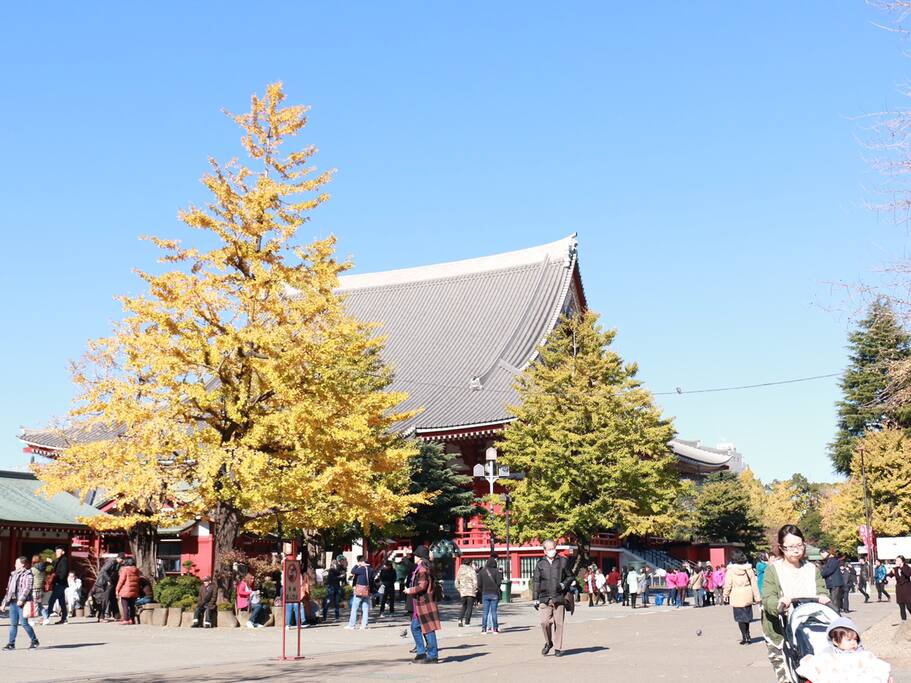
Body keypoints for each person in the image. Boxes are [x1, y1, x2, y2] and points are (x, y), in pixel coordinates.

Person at [761, 524, 831, 683]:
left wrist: (823, 597)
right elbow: (768, 598)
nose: (796, 550)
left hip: (810, 630)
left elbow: (821, 590)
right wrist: (779, 603)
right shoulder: (773, 570)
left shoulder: (812, 569)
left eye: (799, 545)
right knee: (788, 675)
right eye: (791, 546)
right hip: (781, 631)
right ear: (781, 547)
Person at [795, 616, 893, 683]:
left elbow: (874, 663)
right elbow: (818, 664)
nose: (853, 642)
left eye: (855, 639)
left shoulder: (861, 653)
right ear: (835, 642)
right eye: (849, 640)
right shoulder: (828, 654)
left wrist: (885, 674)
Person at [534, 539, 573, 657]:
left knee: (559, 623)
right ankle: (548, 642)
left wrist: (563, 584)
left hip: (558, 597)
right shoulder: (540, 563)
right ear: (545, 551)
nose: (552, 551)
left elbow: (570, 576)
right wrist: (535, 598)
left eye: (553, 548)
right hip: (544, 597)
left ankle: (558, 648)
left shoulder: (562, 561)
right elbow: (536, 581)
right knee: (544, 622)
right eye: (549, 549)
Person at [405, 545, 441, 664]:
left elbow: (422, 586)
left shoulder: (422, 569)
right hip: (420, 603)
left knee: (428, 629)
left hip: (425, 602)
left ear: (420, 557)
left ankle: (432, 655)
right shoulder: (421, 568)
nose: (414, 557)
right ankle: (421, 653)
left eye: (415, 555)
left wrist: (410, 590)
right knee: (415, 627)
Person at [723, 550, 760, 645]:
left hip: (736, 594)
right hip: (747, 593)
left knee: (740, 618)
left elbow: (728, 584)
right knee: (747, 617)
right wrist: (757, 597)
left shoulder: (730, 570)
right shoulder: (748, 569)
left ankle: (744, 636)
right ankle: (748, 635)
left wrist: (725, 595)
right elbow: (754, 584)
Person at [2, 556, 39, 650]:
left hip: (23, 602)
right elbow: (9, 590)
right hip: (13, 602)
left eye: (16, 563)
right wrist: (4, 604)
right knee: (13, 624)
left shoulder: (28, 574)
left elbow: (27, 588)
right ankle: (11, 644)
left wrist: (22, 599)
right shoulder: (13, 574)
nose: (15, 565)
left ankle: (34, 640)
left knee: (24, 623)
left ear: (22, 564)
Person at [346, 555, 374, 630]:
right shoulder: (371, 569)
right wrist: (371, 591)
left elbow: (352, 571)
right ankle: (364, 625)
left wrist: (357, 565)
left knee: (354, 608)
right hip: (366, 590)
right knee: (365, 609)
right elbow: (372, 581)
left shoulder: (361, 569)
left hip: (359, 590)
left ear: (361, 562)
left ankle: (352, 625)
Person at [96, 553, 125, 621]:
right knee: (105, 599)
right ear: (119, 558)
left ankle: (116, 615)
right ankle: (101, 616)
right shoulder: (111, 562)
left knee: (113, 599)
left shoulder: (118, 564)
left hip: (112, 582)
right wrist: (108, 580)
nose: (122, 561)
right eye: (122, 559)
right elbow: (103, 571)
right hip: (106, 583)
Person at [479, 557, 503, 634]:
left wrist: (482, 590)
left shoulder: (482, 572)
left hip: (485, 593)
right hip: (494, 594)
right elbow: (499, 583)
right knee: (494, 612)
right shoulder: (497, 572)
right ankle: (495, 629)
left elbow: (479, 584)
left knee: (485, 612)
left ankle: (484, 629)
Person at [46, 546, 69, 624]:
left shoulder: (64, 560)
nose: (56, 552)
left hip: (60, 583)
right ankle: (64, 618)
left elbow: (63, 573)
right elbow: (56, 567)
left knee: (51, 600)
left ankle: (46, 616)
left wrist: (56, 578)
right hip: (59, 583)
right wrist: (51, 561)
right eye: (56, 551)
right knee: (61, 602)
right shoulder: (59, 560)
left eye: (58, 551)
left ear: (63, 552)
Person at [116, 557, 140, 625]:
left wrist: (117, 589)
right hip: (134, 591)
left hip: (125, 591)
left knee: (125, 605)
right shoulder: (137, 570)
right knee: (132, 606)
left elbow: (121, 581)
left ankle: (126, 619)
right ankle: (132, 619)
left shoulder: (125, 570)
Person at [322, 555, 346, 622]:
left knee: (337, 603)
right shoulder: (331, 569)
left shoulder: (340, 568)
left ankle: (337, 617)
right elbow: (331, 578)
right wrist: (340, 576)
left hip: (337, 587)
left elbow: (342, 577)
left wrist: (343, 576)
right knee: (328, 602)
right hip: (331, 587)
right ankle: (324, 617)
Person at [820, 549, 844, 616]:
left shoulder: (832, 560)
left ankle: (837, 615)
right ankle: (836, 614)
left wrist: (821, 574)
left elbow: (829, 570)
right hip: (832, 583)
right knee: (834, 599)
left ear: (824, 552)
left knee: (835, 600)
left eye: (821, 554)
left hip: (835, 583)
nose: (821, 556)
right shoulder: (829, 560)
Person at [455, 560, 478, 627]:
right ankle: (467, 622)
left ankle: (460, 619)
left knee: (464, 606)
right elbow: (475, 581)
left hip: (463, 591)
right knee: (469, 607)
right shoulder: (471, 570)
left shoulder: (460, 570)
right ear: (470, 563)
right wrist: (475, 590)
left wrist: (459, 589)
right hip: (470, 591)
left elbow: (456, 582)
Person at [888, 555, 911, 621]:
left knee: (909, 606)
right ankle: (904, 622)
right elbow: (890, 575)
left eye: (898, 560)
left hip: (907, 589)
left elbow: (908, 574)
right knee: (902, 607)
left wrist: (901, 568)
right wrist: (888, 576)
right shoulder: (895, 569)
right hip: (899, 590)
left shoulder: (907, 567)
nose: (896, 562)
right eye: (896, 560)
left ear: (902, 561)